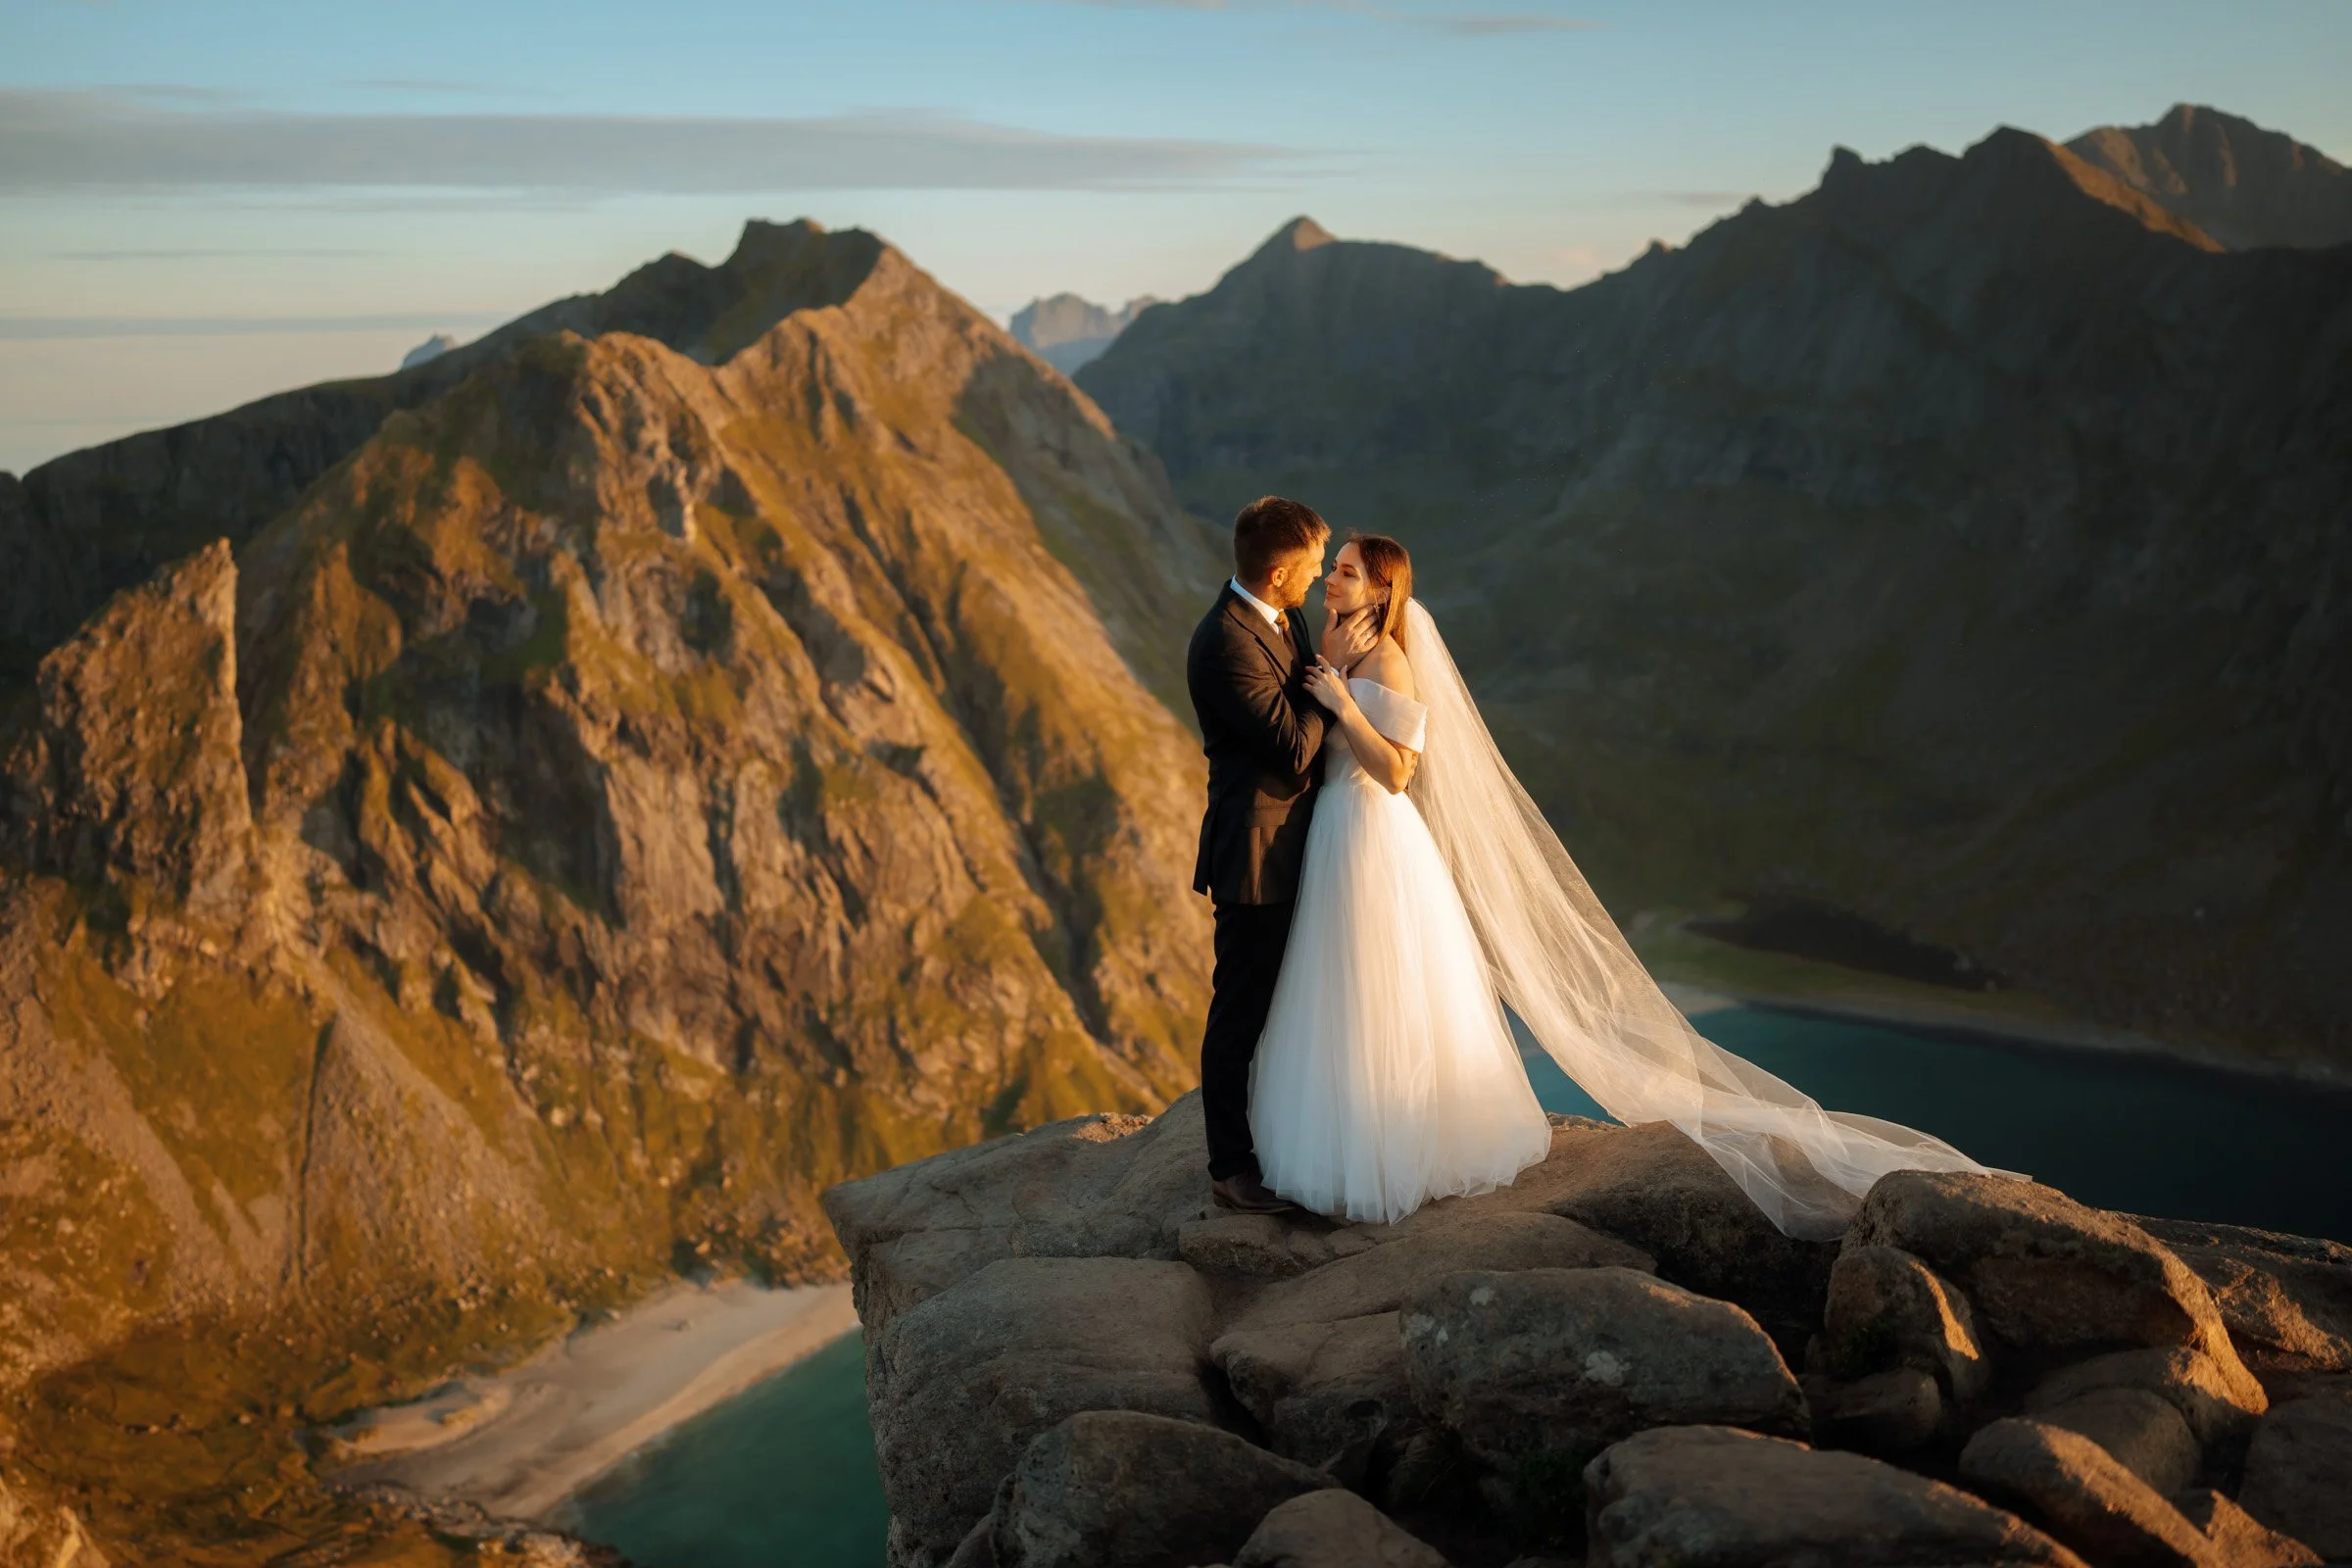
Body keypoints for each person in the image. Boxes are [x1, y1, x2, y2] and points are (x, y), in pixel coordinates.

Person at [1245, 529, 2009, 1235]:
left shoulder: (1389, 660)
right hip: (1333, 834)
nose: (1332, 578)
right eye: (1333, 568)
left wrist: (1341, 703)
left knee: (1380, 987)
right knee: (1335, 986)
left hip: (1374, 835)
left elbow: (1398, 774)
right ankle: (1342, 1136)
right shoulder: (1334, 641)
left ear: (1381, 590)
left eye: (1347, 572)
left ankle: (1389, 1150)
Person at [1184, 496, 1372, 1213]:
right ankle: (1230, 1168)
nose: (1320, 577)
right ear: (1276, 573)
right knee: (1241, 1010)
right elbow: (1293, 749)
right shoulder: (1225, 644)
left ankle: (1283, 1139)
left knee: (1291, 1000)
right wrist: (1337, 678)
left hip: (1302, 842)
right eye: (1313, 566)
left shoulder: (1281, 616)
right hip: (1256, 853)